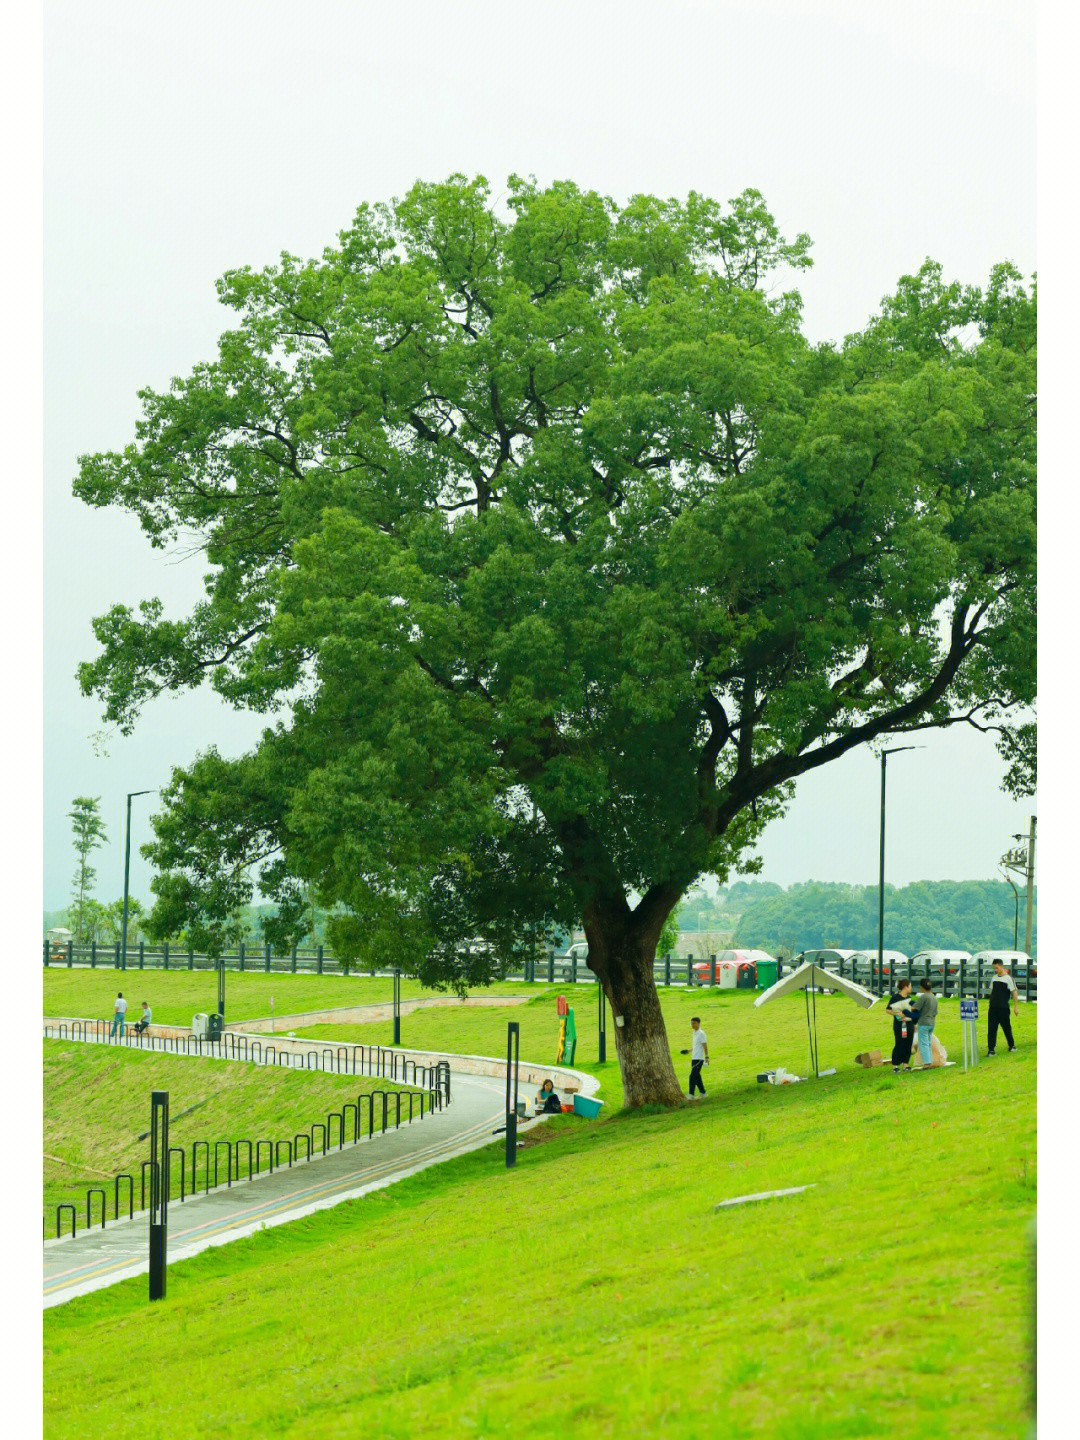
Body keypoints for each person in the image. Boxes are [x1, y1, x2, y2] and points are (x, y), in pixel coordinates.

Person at [987, 958, 1020, 1055]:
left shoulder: (1009, 979)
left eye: (997, 968)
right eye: (994, 968)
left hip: (1003, 1008)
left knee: (1006, 1027)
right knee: (992, 1029)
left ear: (1001, 966)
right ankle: (991, 1050)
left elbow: (1014, 992)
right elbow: (992, 991)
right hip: (993, 1008)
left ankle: (1011, 1045)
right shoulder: (994, 978)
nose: (995, 970)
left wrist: (1016, 1006)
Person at [908, 978, 939, 1069]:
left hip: (924, 1023)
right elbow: (936, 1012)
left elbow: (915, 1008)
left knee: (923, 1043)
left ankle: (927, 1063)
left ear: (921, 987)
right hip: (932, 1023)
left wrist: (907, 1005)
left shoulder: (924, 997)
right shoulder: (933, 997)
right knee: (928, 1043)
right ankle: (929, 1060)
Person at [886, 979, 916, 1071]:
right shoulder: (895, 998)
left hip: (909, 1024)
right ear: (905, 987)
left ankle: (905, 1064)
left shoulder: (909, 998)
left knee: (908, 1043)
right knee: (899, 1043)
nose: (911, 988)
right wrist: (898, 1014)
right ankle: (895, 1065)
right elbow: (888, 1010)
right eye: (910, 986)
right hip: (900, 1025)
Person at [687, 1017, 709, 1096]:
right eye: (691, 1023)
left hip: (699, 1059)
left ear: (698, 1023)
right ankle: (703, 1092)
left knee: (692, 1076)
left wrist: (706, 1057)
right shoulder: (694, 1033)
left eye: (694, 1023)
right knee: (697, 1076)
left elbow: (705, 1045)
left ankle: (691, 1094)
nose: (692, 1025)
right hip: (694, 1058)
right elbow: (697, 1046)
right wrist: (689, 1051)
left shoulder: (701, 1033)